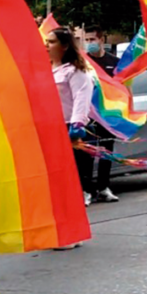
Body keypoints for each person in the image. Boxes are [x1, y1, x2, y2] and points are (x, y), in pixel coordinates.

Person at [48, 27, 95, 209]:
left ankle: (79, 201)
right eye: (47, 42)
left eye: (52, 42)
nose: (47, 46)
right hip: (50, 128)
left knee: (73, 176)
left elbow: (81, 98)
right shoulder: (47, 68)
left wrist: (76, 126)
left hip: (70, 129)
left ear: (65, 45)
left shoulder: (75, 71)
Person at [81, 26, 121, 204]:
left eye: (92, 40)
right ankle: (87, 190)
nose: (89, 44)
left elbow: (121, 87)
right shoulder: (82, 63)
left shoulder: (114, 62)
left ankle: (104, 187)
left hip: (108, 115)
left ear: (101, 40)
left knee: (105, 152)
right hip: (88, 115)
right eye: (87, 40)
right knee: (87, 153)